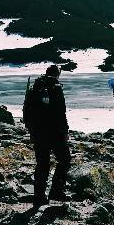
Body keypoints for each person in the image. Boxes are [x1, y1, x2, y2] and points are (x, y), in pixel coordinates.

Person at [24, 65, 72, 208]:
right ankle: (56, 191)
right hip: (54, 132)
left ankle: (39, 196)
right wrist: (65, 131)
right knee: (65, 159)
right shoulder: (55, 87)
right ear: (58, 74)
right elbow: (60, 112)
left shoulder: (35, 87)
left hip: (38, 132)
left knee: (42, 163)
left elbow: (28, 110)